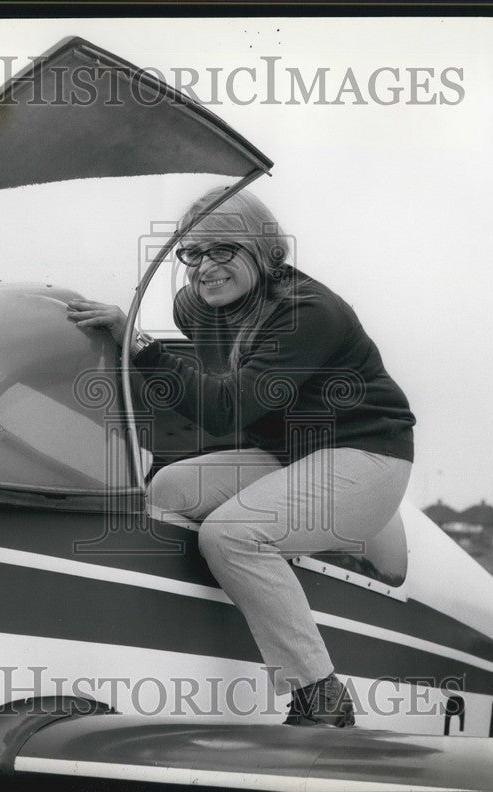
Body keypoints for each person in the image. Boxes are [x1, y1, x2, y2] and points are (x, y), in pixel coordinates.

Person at [66, 187, 415, 727]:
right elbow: (207, 350)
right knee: (164, 491)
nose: (206, 267)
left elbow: (232, 407)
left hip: (367, 457)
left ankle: (321, 696)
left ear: (264, 249)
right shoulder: (199, 303)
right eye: (193, 253)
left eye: (223, 249)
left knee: (231, 533)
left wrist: (136, 343)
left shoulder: (307, 312)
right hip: (289, 455)